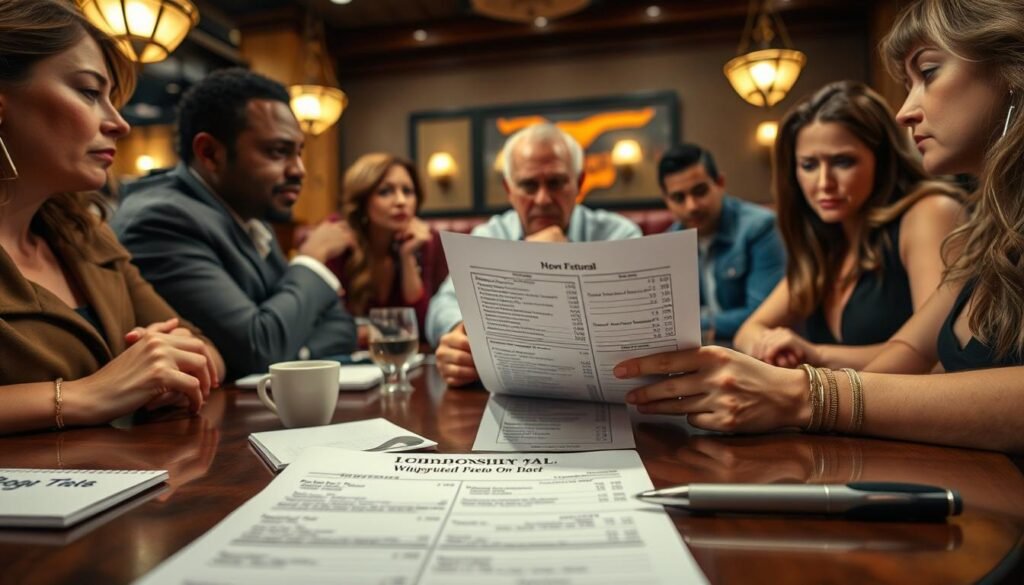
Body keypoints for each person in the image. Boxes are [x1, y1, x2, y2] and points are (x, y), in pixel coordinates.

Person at [616, 0, 1024, 453]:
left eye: (928, 73)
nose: (905, 111)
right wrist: (793, 378)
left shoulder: (930, 211)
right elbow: (906, 353)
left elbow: (929, 373)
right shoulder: (990, 228)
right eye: (808, 165)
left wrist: (804, 390)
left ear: (1012, 71)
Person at [0, 0, 224, 434]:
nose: (120, 123)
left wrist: (172, 369)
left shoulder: (84, 234)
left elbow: (204, 349)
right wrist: (85, 394)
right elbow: (108, 389)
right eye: (88, 92)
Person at [113, 68, 357, 380]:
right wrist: (310, 260)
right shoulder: (161, 219)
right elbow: (259, 349)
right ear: (210, 153)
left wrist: (293, 353)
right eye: (278, 152)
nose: (299, 170)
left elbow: (340, 325)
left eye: (298, 153)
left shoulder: (252, 215)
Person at [733, 81, 963, 369]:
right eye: (808, 165)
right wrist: (772, 345)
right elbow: (747, 332)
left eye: (842, 162)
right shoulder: (827, 244)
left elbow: (939, 355)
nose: (824, 183)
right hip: (841, 411)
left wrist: (817, 355)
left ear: (880, 160)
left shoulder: (928, 212)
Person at [427, 123, 641, 387]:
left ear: (579, 183)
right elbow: (440, 307)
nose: (542, 199)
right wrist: (458, 335)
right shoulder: (488, 236)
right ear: (509, 190)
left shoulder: (619, 235)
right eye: (529, 185)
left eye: (556, 183)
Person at [658, 143, 784, 341]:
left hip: (752, 352)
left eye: (700, 191)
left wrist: (690, 325)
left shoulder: (759, 227)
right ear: (667, 201)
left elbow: (763, 314)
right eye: (678, 198)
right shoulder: (668, 243)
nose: (691, 206)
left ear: (720, 183)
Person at [325, 153, 448, 342]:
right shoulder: (338, 239)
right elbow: (329, 328)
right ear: (362, 201)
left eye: (408, 191)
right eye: (385, 192)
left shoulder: (423, 241)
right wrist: (393, 329)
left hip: (403, 362)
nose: (401, 201)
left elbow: (420, 327)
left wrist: (407, 256)